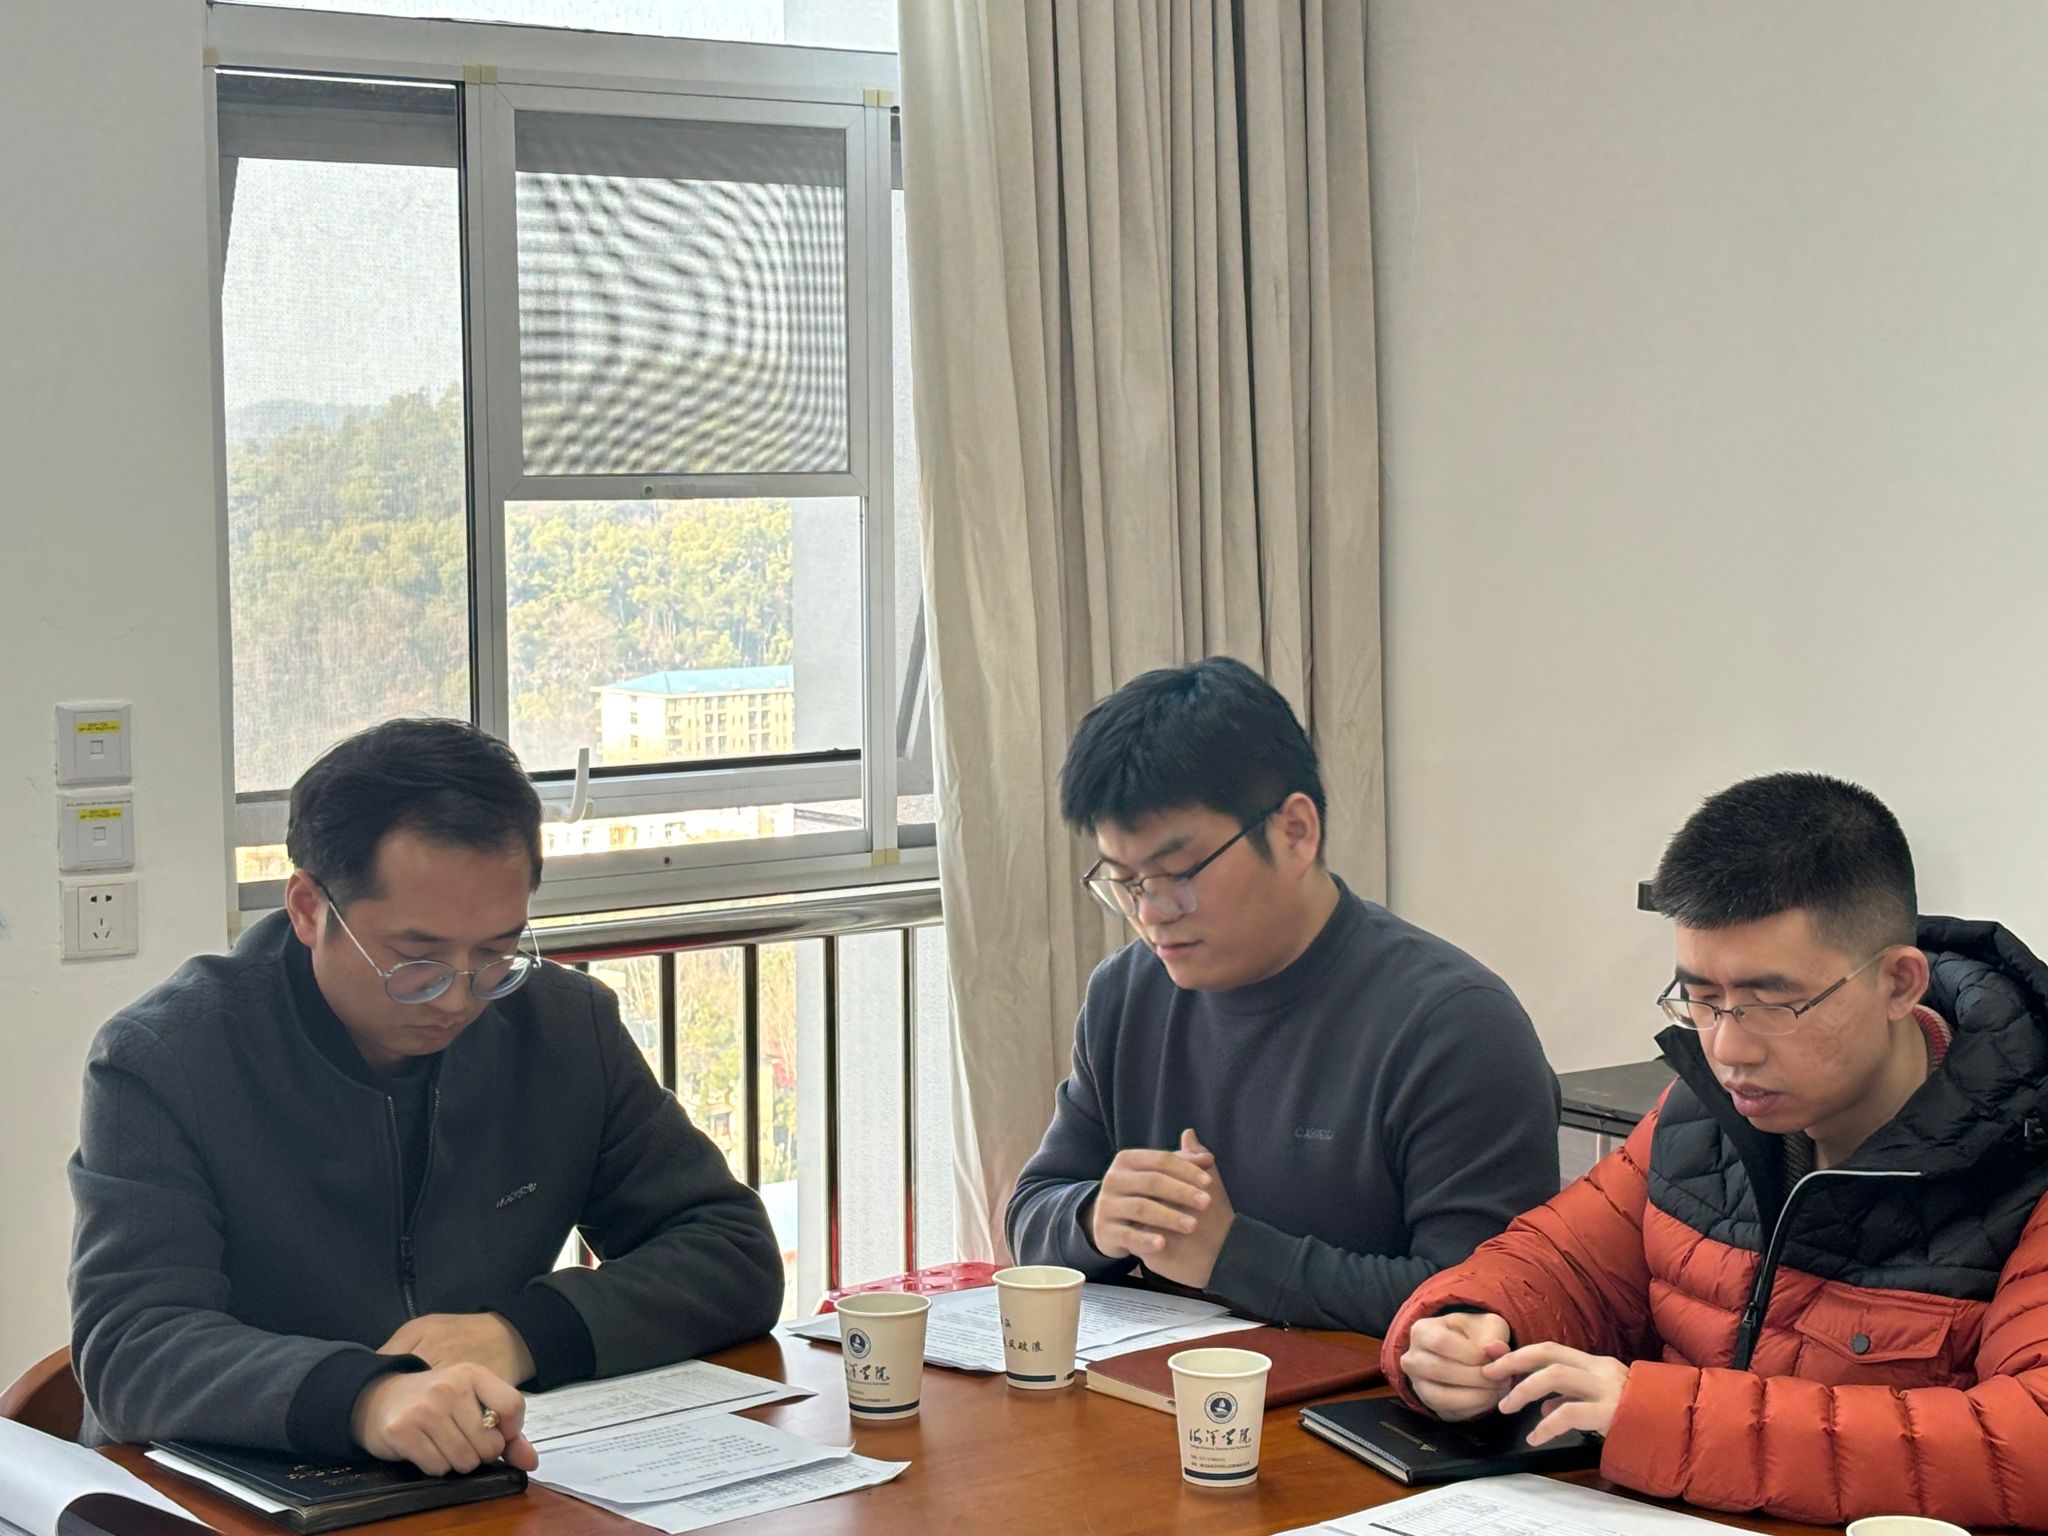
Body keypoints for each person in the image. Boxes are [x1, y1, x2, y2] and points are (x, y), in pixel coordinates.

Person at [70, 719, 783, 1472]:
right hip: (225, 1491)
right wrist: (367, 1397)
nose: (458, 997)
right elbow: (131, 1345)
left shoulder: (564, 1029)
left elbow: (729, 1251)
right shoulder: (165, 1060)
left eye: (497, 952)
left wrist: (519, 1334)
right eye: (417, 958)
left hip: (470, 1481)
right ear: (309, 909)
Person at [1386, 771, 2048, 1529]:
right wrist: (1466, 1324)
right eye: (1700, 998)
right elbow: (1561, 1263)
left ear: (1899, 983)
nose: (1729, 1050)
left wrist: (1661, 1418)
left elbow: (2030, 1442)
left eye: (1773, 1005)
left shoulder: (2024, 1149)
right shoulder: (1704, 1113)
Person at [1006, 657, 1560, 1335]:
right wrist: (1097, 1217)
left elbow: (1483, 1302)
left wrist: (1232, 1257)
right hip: (1156, 1388)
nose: (1150, 913)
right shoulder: (1126, 994)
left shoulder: (1456, 1027)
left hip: (1363, 1400)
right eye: (1125, 882)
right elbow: (1033, 1210)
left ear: (1295, 832)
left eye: (1177, 873)